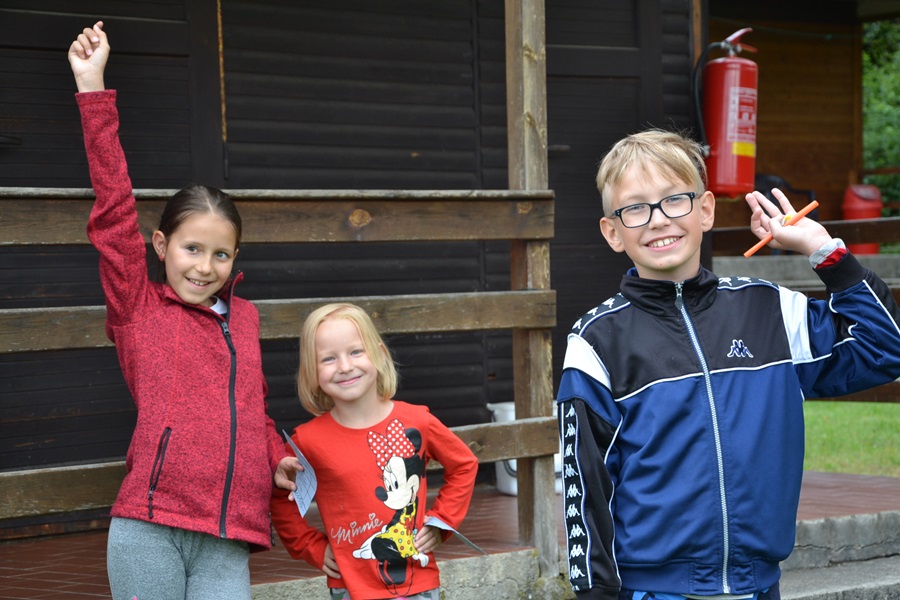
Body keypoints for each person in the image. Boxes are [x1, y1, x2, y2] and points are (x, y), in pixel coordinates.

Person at [556, 128, 900, 600]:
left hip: (758, 587)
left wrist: (823, 250)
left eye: (674, 200)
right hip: (653, 591)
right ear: (613, 232)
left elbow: (884, 347)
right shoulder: (595, 341)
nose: (658, 220)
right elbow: (585, 487)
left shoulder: (769, 311)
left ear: (705, 210)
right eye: (635, 208)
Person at [68, 22, 301, 600]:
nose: (204, 266)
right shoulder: (138, 306)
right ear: (160, 245)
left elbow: (252, 409)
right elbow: (113, 211)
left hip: (228, 534)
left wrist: (276, 456)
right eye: (191, 248)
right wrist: (93, 89)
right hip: (150, 526)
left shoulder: (244, 318)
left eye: (221, 254)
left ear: (235, 258)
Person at [270, 303, 479, 600]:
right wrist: (309, 545)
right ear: (311, 371)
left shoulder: (417, 420)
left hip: (416, 583)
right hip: (350, 586)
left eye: (356, 352)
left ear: (379, 354)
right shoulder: (307, 440)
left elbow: (464, 464)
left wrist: (441, 522)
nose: (345, 366)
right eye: (328, 358)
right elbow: (282, 496)